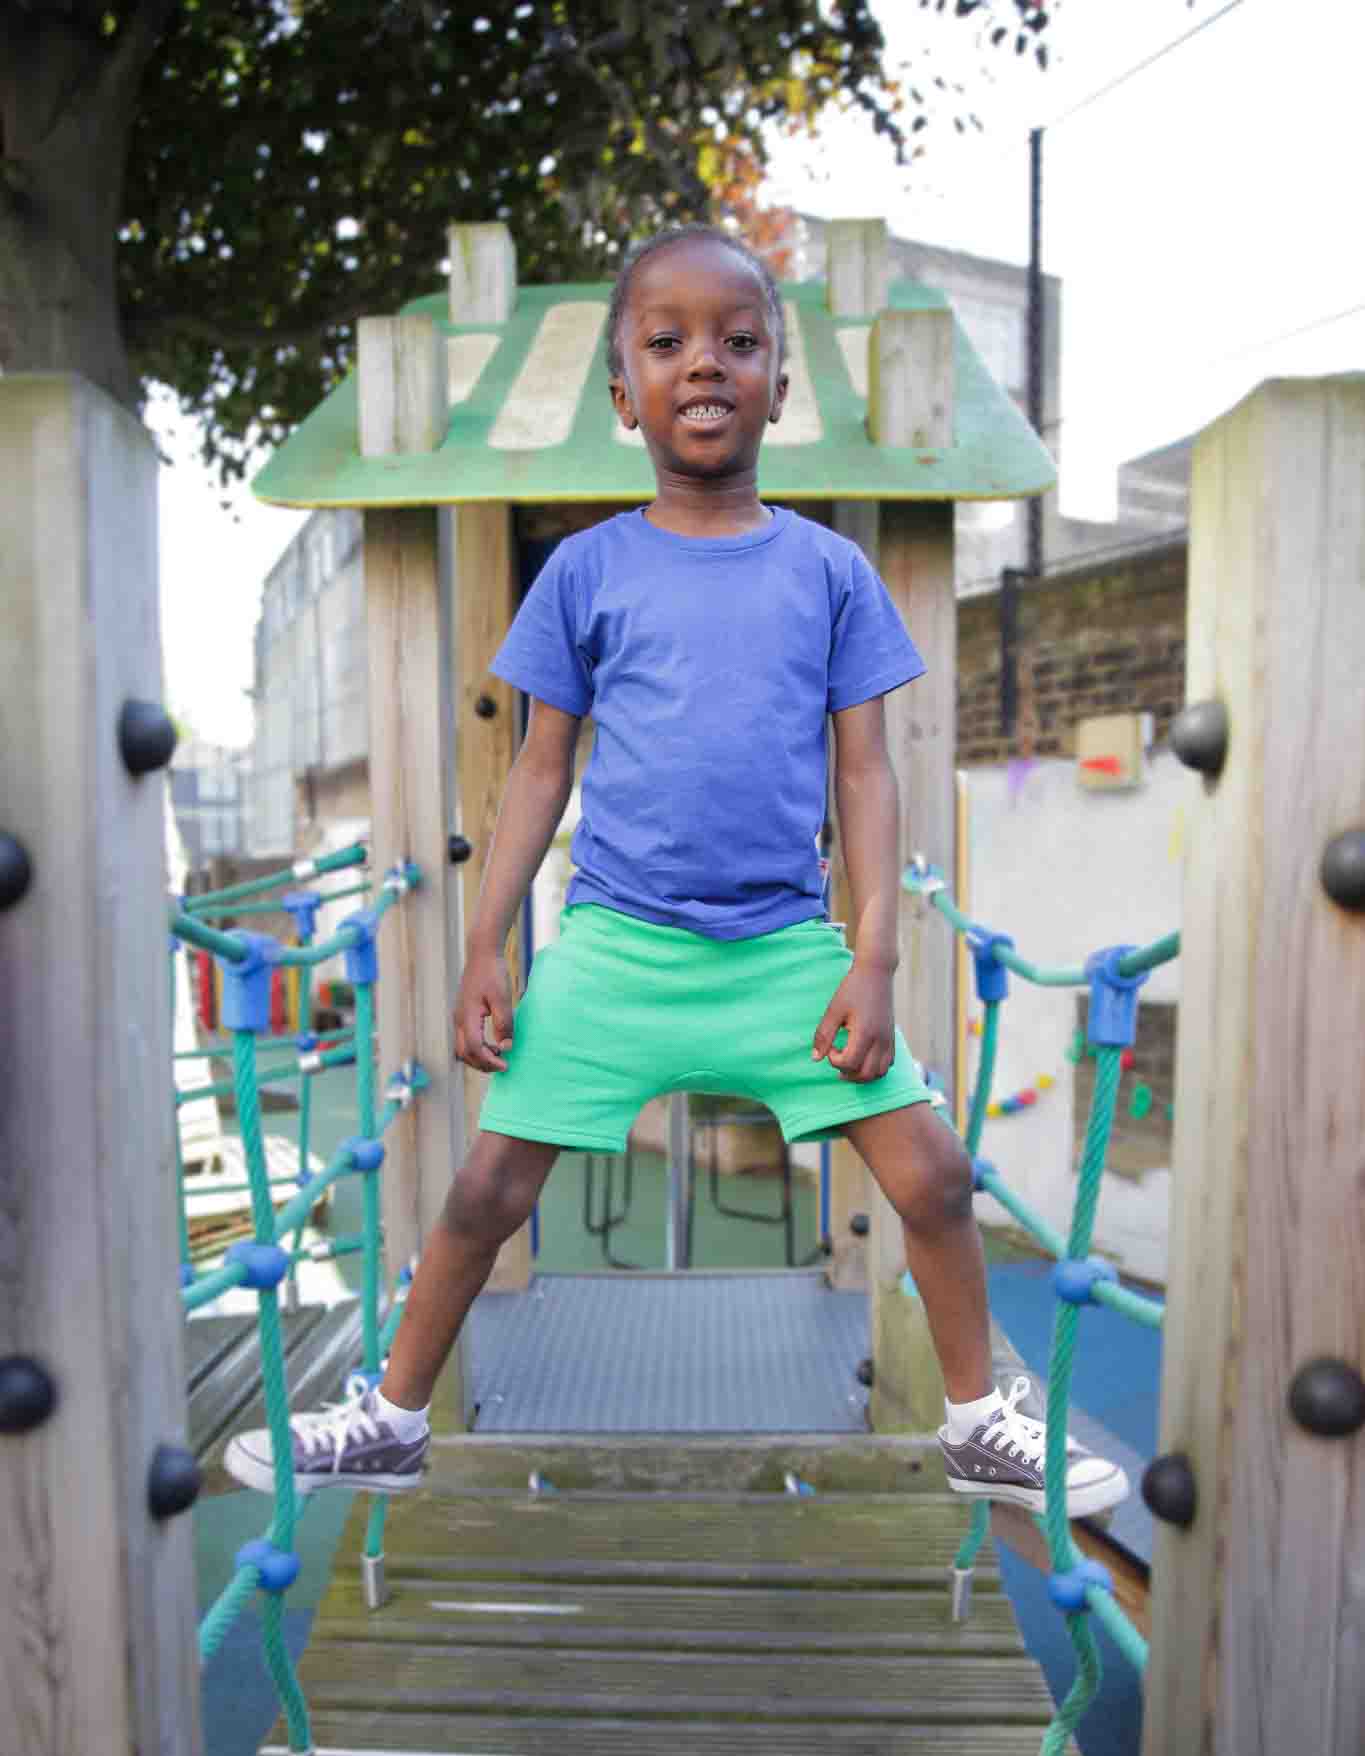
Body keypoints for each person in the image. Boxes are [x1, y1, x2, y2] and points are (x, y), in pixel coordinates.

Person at [225, 224, 1127, 1521]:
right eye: (667, 342)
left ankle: (980, 1424)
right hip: (617, 945)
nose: (704, 362)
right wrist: (486, 944)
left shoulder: (829, 570)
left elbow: (865, 771)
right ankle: (393, 1420)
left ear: (777, 384)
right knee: (486, 1189)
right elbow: (539, 767)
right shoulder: (586, 570)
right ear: (623, 393)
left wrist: (874, 952)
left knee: (931, 1175)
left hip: (784, 952)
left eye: (737, 340)